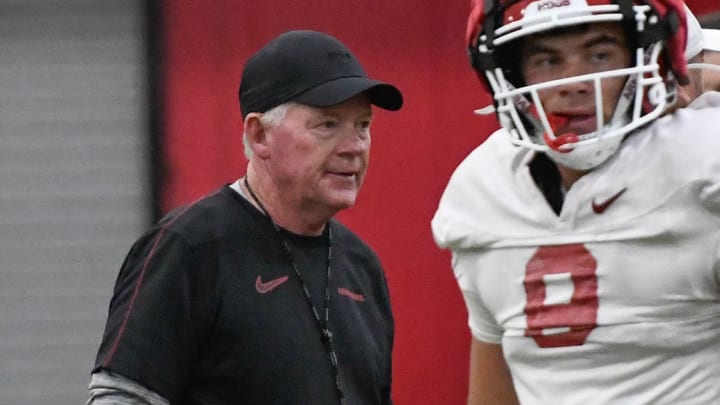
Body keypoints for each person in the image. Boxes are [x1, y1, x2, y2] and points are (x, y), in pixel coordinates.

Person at [87, 30, 402, 405]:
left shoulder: (361, 266)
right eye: (327, 125)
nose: (353, 147)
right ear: (259, 135)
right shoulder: (189, 249)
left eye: (362, 126)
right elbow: (121, 398)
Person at [432, 0, 720, 403]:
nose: (573, 81)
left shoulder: (704, 162)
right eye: (547, 60)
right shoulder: (481, 189)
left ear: (653, 58)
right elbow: (495, 386)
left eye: (599, 54)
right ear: (510, 74)